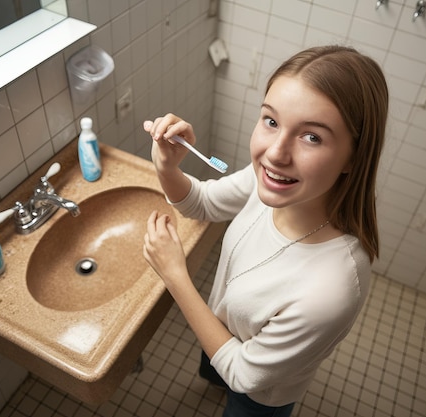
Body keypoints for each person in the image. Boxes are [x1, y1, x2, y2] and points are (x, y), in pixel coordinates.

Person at [142, 45, 388, 416]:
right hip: (221, 326)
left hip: (260, 394)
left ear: (355, 156)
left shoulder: (332, 290)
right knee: (215, 369)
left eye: (312, 137)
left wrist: (176, 275)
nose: (275, 154)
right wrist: (167, 167)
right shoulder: (269, 182)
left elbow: (243, 374)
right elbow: (203, 203)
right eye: (271, 121)